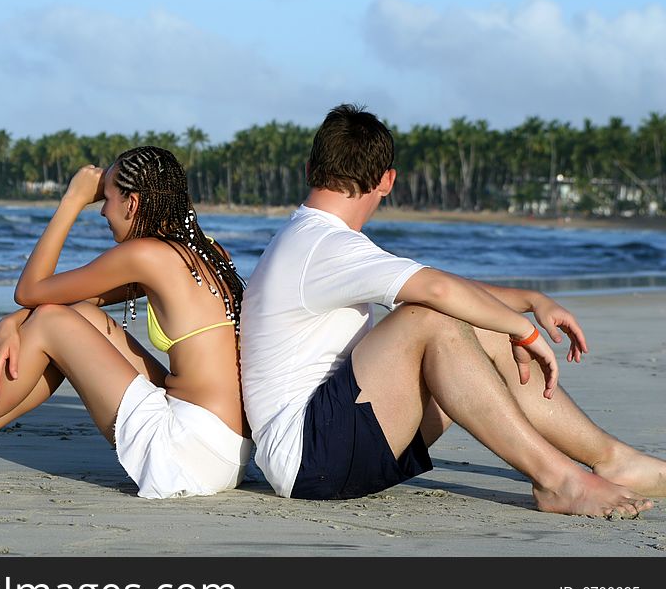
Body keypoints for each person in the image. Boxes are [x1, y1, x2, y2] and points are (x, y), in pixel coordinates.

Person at [240, 104, 666, 517]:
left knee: (465, 318)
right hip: (310, 456)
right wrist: (525, 330)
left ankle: (613, 459)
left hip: (329, 444)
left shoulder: (316, 240)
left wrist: (530, 301)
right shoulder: (325, 245)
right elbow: (438, 291)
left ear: (310, 170)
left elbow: (440, 288)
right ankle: (558, 479)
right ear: (388, 181)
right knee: (431, 317)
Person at [0, 146, 252, 499]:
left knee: (53, 321)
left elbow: (32, 289)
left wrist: (70, 202)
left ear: (133, 202)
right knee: (80, 318)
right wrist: (13, 322)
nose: (102, 212)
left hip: (187, 452)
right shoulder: (204, 253)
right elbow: (74, 301)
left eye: (105, 199)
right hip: (228, 452)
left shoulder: (145, 254)